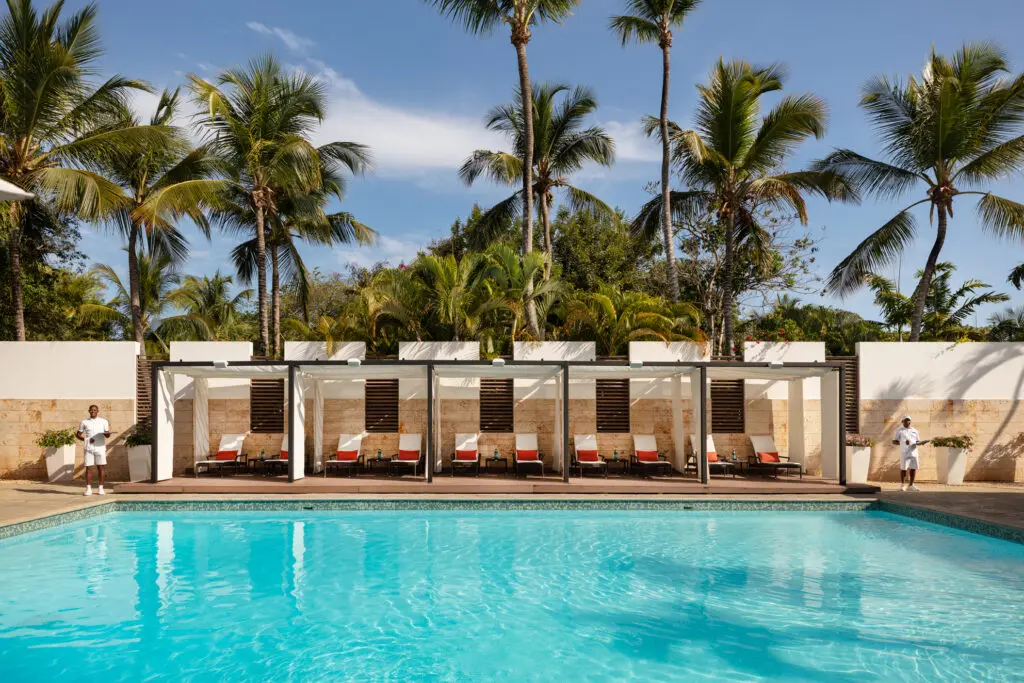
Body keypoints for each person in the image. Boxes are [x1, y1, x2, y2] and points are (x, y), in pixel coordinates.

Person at [77, 405, 111, 496]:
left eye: (95, 410)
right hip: (89, 447)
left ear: (97, 411)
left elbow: (107, 435)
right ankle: (88, 489)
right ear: (89, 411)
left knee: (101, 467)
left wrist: (107, 434)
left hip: (100, 447)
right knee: (88, 468)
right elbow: (78, 435)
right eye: (91, 410)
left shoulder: (104, 421)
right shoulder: (84, 422)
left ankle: (101, 488)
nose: (93, 411)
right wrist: (85, 439)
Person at [892, 415, 928, 492]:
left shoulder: (915, 430)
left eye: (909, 420)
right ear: (902, 422)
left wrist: (921, 443)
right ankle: (902, 485)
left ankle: (911, 485)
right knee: (903, 468)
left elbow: (917, 441)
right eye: (905, 420)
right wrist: (903, 442)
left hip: (914, 452)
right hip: (904, 452)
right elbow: (894, 441)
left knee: (913, 468)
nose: (907, 422)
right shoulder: (899, 430)